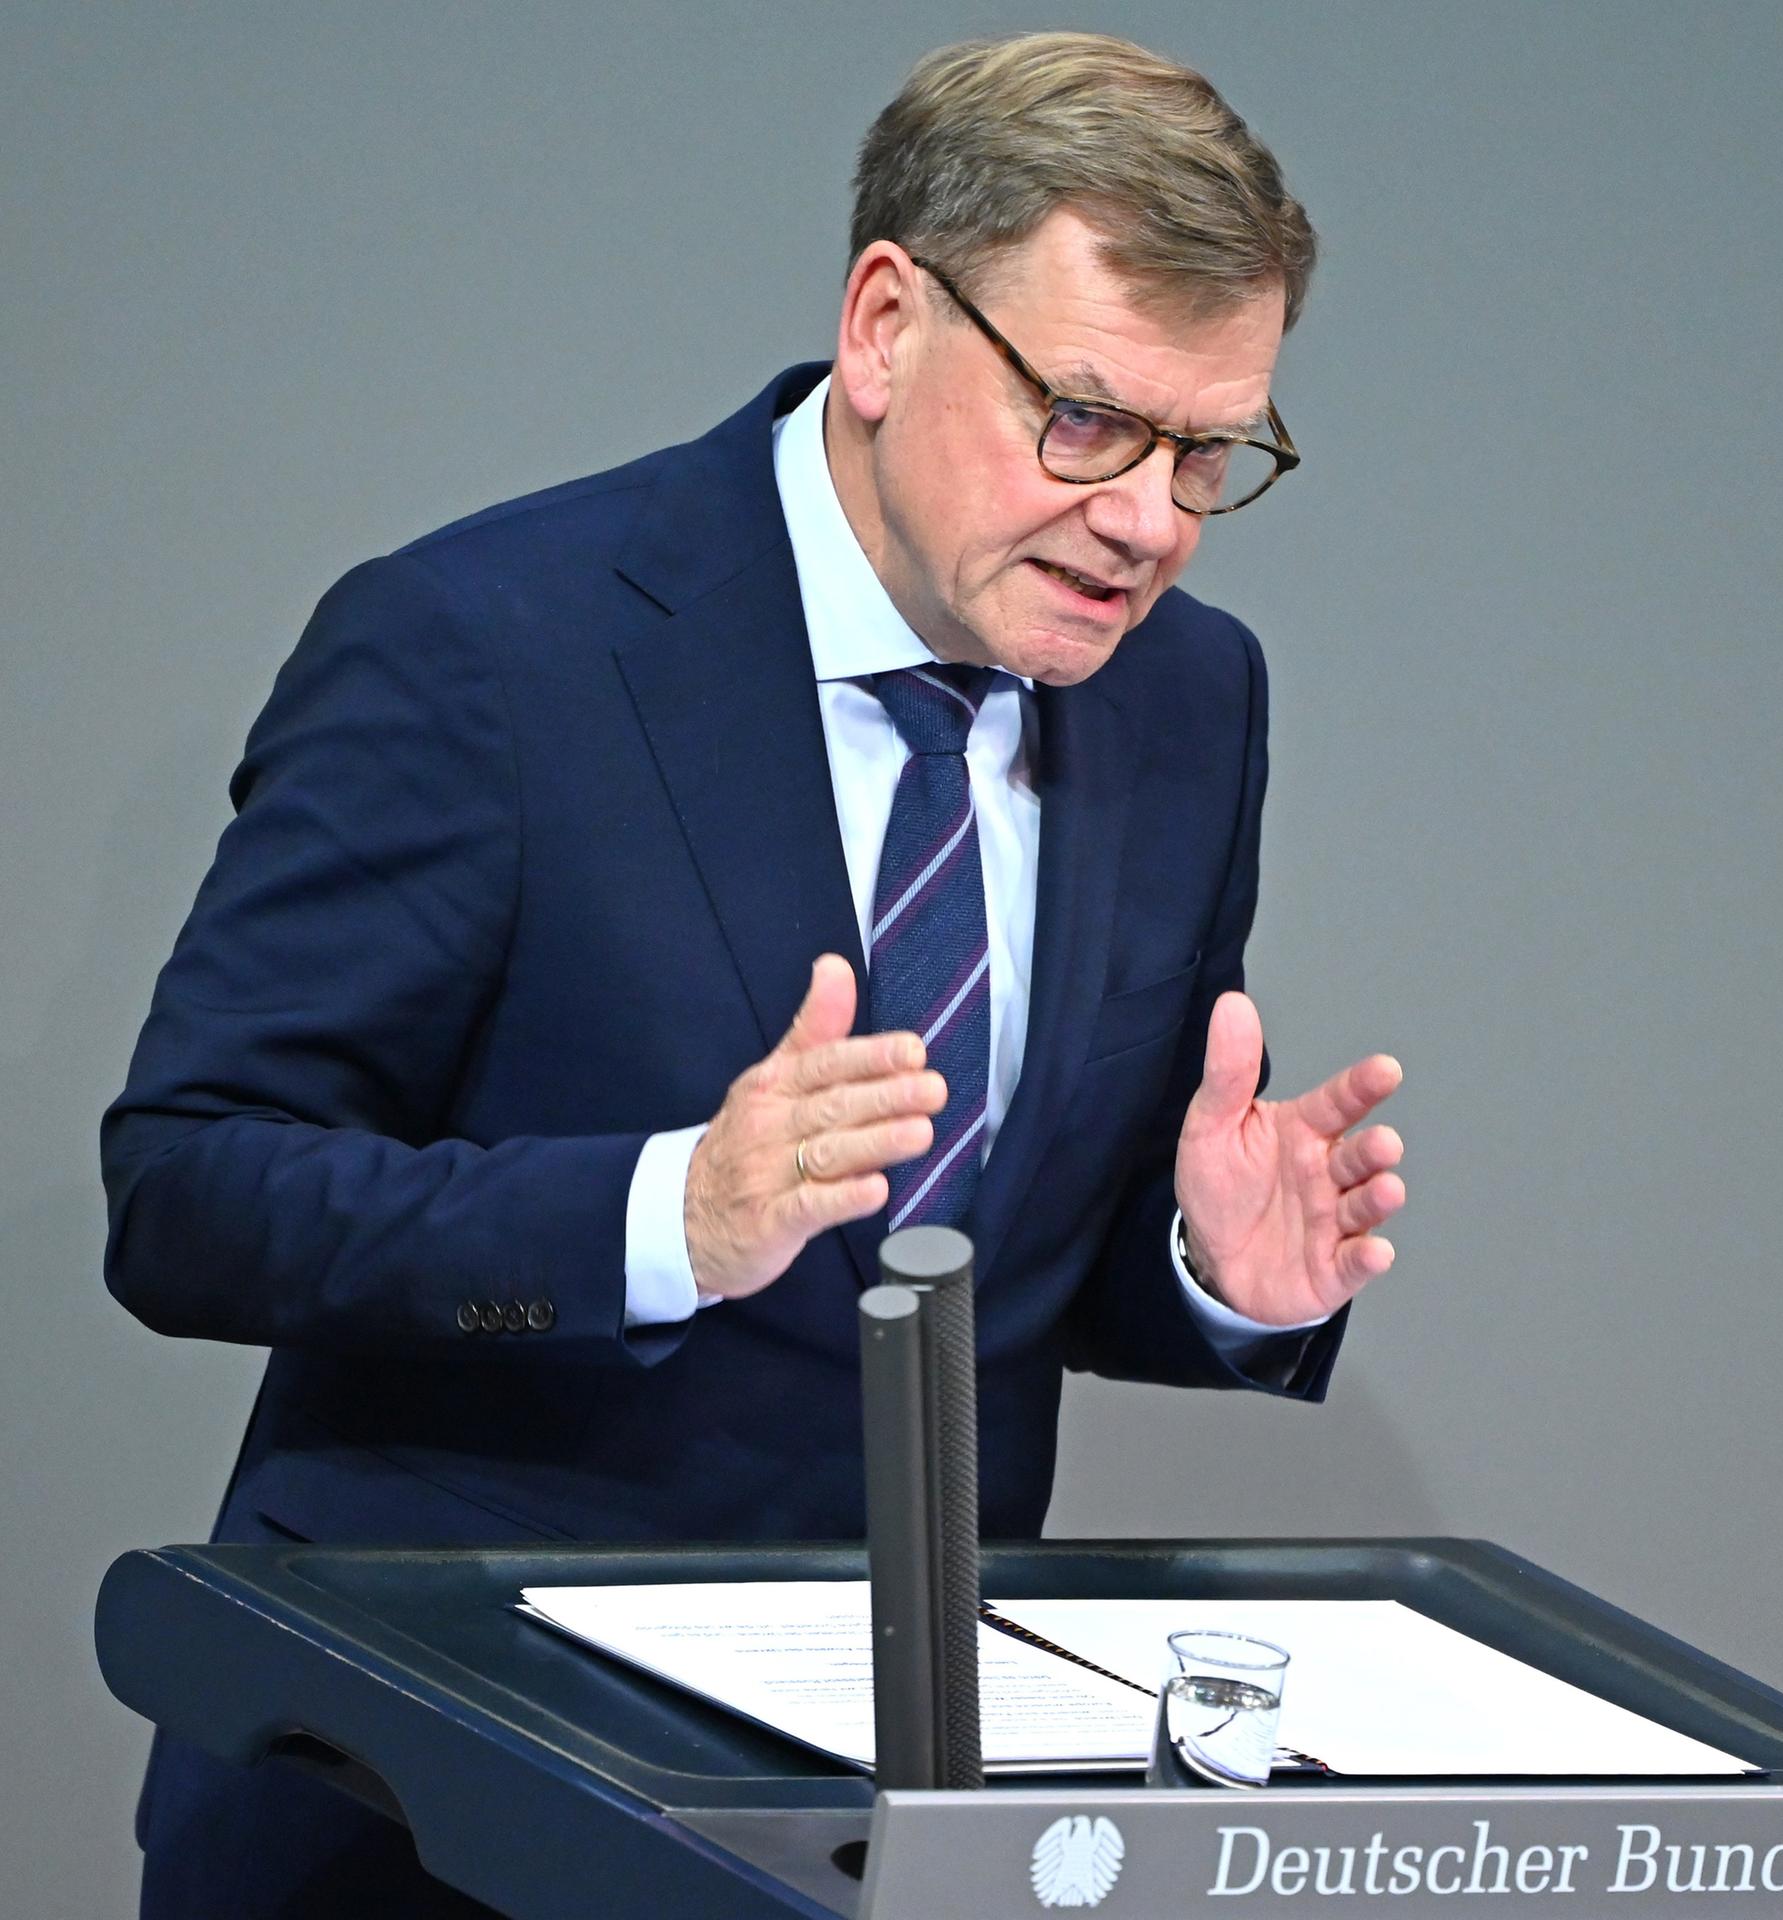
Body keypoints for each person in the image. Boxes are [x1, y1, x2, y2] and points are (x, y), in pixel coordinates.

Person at [102, 30, 1407, 1917]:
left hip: (883, 1833)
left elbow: (961, 1265)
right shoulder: (487, 648)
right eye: (1092, 422)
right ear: (888, 324)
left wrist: (1209, 1269)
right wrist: (662, 1216)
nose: (1149, 522)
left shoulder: (1193, 699)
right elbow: (190, 1194)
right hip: (429, 1807)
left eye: (1211, 454)